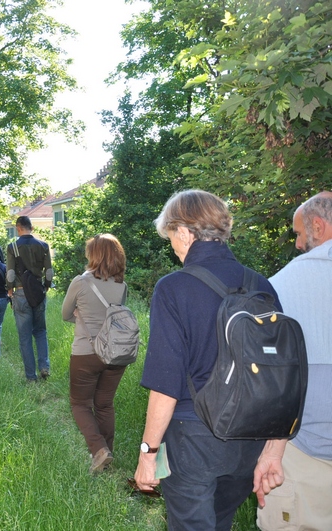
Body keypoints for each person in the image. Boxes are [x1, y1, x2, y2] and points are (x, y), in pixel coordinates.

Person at [134, 189, 283, 530]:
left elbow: (165, 383)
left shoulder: (174, 287)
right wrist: (273, 451)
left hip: (194, 441)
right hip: (250, 440)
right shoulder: (260, 284)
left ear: (185, 233)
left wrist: (148, 453)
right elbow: (279, 374)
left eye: (171, 236)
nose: (172, 246)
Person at [255, 191, 332, 531]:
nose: (299, 244)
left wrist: (271, 452)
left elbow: (273, 383)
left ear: (318, 225)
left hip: (302, 451)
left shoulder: (278, 286)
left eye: (300, 234)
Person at [62, 234, 129, 474]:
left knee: (79, 404)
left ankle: (99, 450)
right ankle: (106, 455)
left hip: (86, 352)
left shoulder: (80, 282)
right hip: (116, 353)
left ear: (94, 255)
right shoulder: (122, 285)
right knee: (104, 404)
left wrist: (80, 316)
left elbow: (65, 314)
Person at [6, 216, 53, 382]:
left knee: (25, 337)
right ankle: (44, 366)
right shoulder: (43, 245)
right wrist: (46, 285)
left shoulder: (12, 247)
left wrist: (10, 290)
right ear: (31, 227)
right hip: (38, 292)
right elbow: (49, 271)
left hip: (20, 293)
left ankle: (31, 377)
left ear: (18, 228)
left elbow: (10, 272)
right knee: (40, 331)